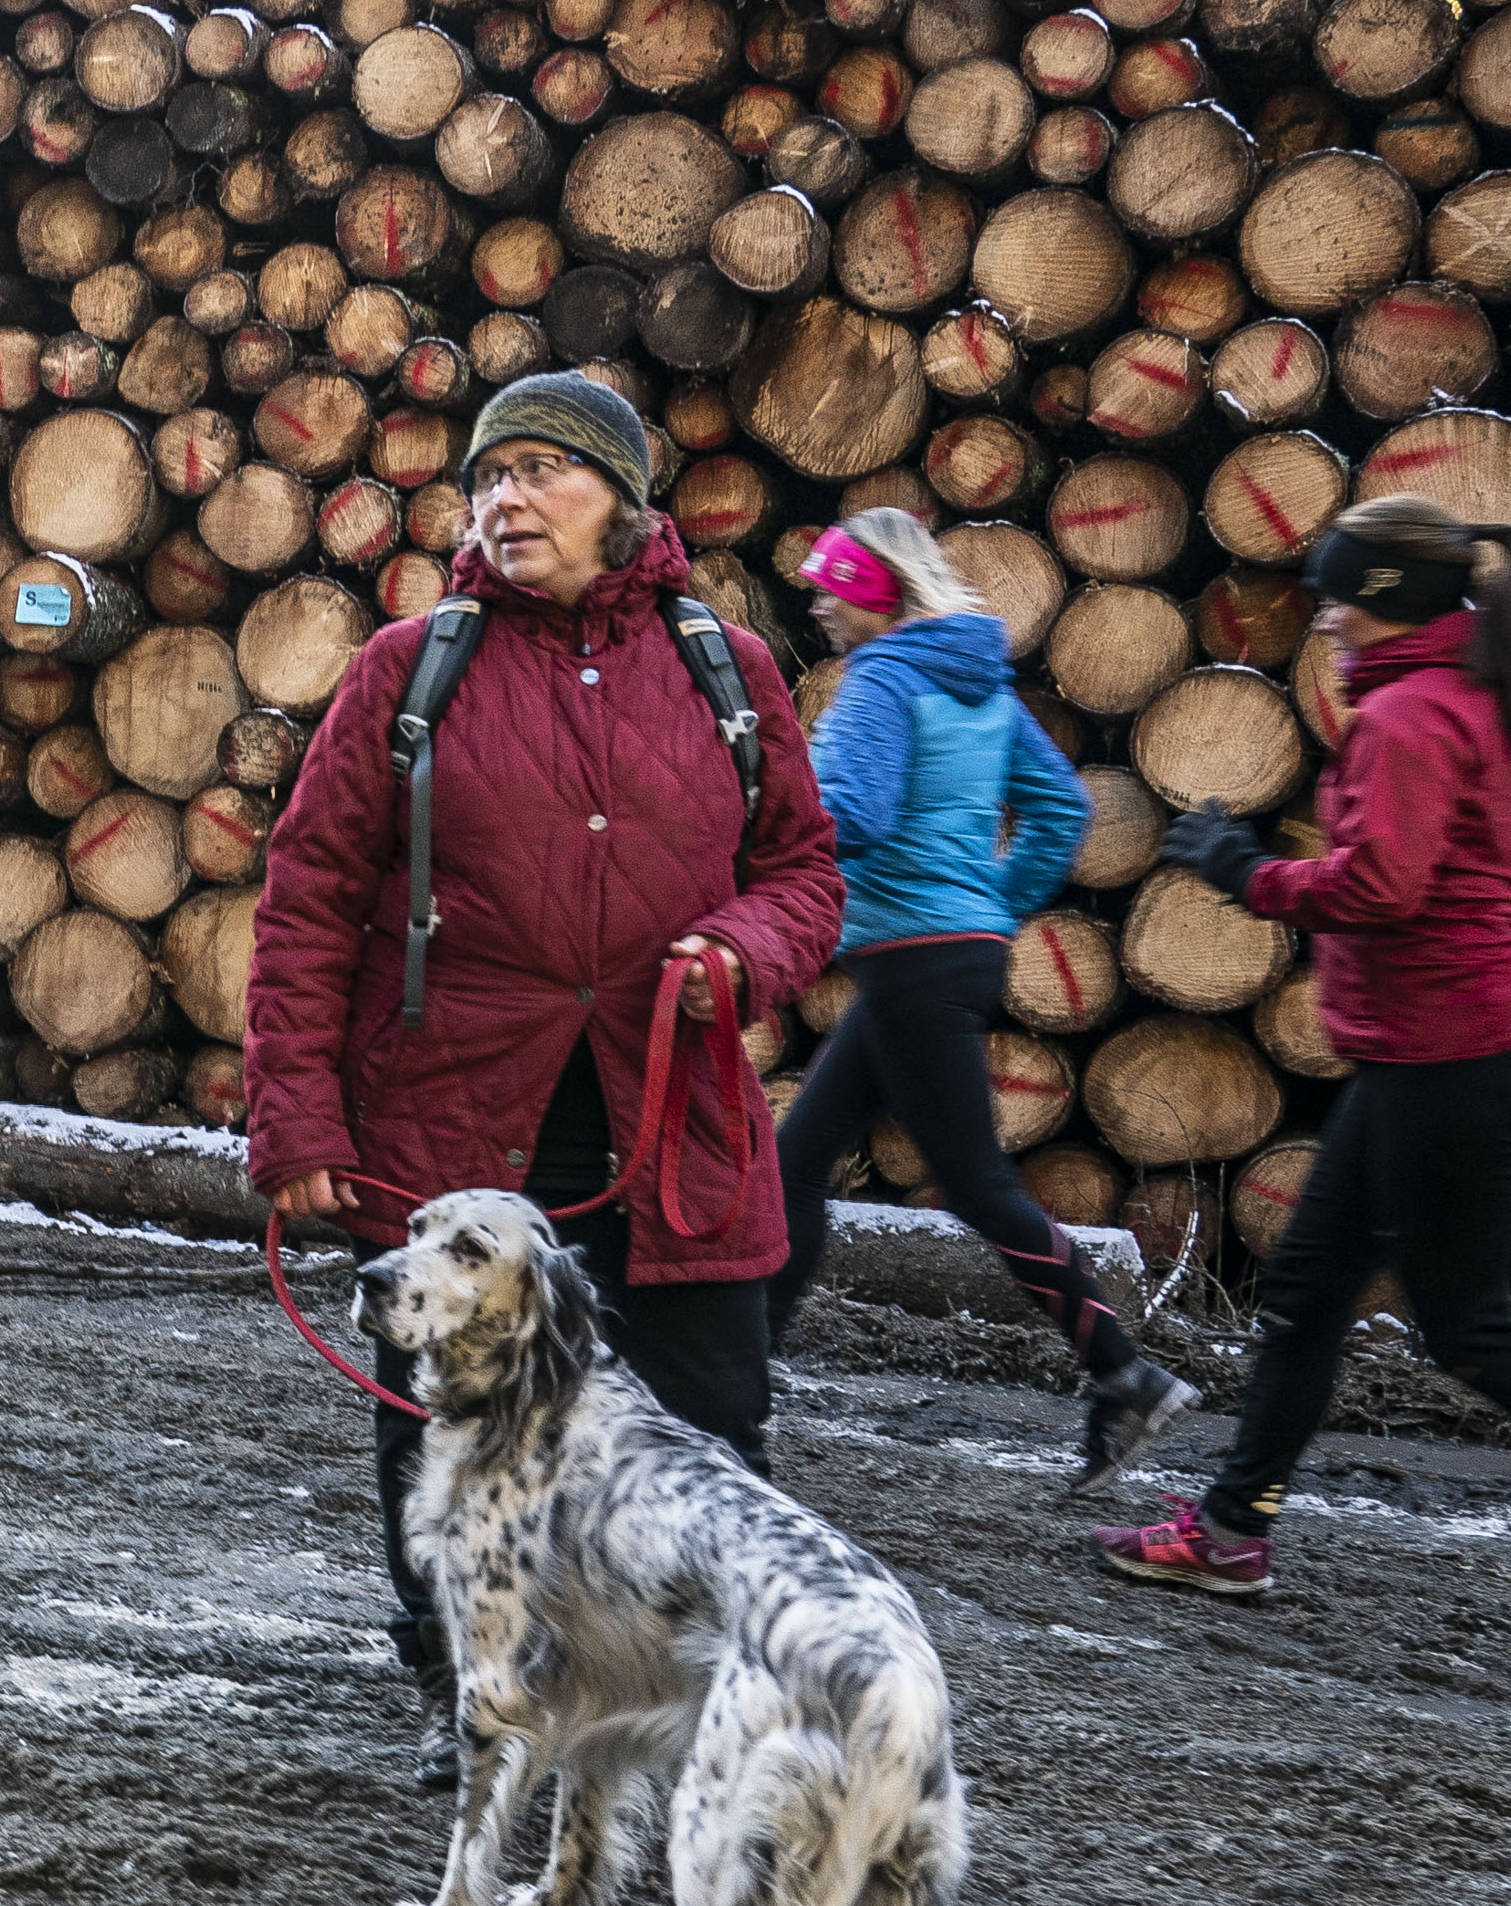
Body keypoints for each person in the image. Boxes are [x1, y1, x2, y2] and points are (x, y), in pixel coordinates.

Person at [248, 371, 846, 1787]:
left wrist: (738, 946)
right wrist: (296, 1114)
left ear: (622, 500)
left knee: (710, 1424)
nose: (505, 499)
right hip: (450, 1110)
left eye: (540, 472)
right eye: (487, 477)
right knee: (449, 1428)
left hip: (671, 1113)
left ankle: (711, 1700)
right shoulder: (409, 665)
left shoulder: (727, 668)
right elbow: (310, 894)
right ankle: (469, 1699)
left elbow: (804, 872)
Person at [1091, 499, 1511, 1661]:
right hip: (1450, 1040)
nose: (1322, 619)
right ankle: (1230, 1531)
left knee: (1466, 1330)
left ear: (1387, 602)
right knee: (1307, 1292)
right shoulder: (1491, 683)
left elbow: (1376, 891)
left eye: (1337, 595)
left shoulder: (1407, 715)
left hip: (1444, 1049)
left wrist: (1244, 871)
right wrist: (1480, 892)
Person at [768, 507, 1194, 1480]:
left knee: (974, 1187)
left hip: (912, 958)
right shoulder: (978, 691)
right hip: (944, 954)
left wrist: (763, 826)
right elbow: (1057, 810)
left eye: (832, 587)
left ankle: (1123, 1373)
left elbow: (852, 818)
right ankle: (736, 1378)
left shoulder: (879, 681)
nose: (817, 605)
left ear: (875, 593)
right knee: (792, 1165)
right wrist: (987, 907)